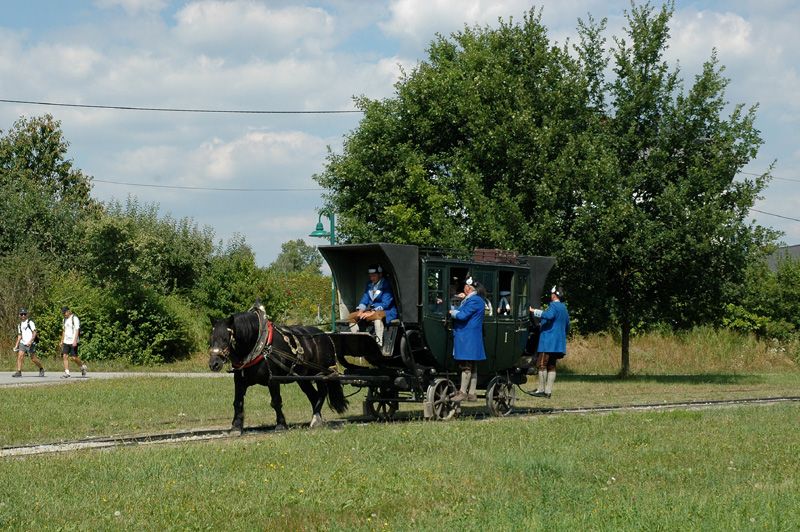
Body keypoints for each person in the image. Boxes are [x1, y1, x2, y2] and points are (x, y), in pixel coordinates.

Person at [449, 277, 486, 402]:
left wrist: (451, 312)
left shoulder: (474, 300)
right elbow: (461, 310)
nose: (464, 287)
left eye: (465, 286)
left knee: (466, 365)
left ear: (469, 288)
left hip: (467, 336)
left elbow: (462, 315)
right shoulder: (472, 300)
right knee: (473, 365)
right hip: (470, 336)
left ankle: (463, 392)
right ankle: (472, 393)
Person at [529, 285, 570, 398]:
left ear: (554, 295)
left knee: (541, 364)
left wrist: (534, 311)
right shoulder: (564, 308)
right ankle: (548, 391)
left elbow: (548, 315)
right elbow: (567, 326)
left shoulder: (553, 306)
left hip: (548, 342)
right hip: (557, 344)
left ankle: (541, 390)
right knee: (552, 366)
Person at [348, 265, 397, 346]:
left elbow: (386, 303)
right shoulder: (369, 285)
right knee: (351, 316)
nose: (371, 278)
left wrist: (372, 312)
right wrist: (360, 311)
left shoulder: (386, 285)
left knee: (377, 317)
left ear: (380, 275)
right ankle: (357, 341)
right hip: (371, 311)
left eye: (374, 276)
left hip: (387, 311)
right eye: (370, 276)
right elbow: (365, 299)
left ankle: (379, 344)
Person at [12, 308, 45, 377]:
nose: (23, 315)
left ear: (27, 315)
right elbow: (19, 335)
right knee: (20, 356)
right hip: (23, 343)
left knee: (33, 358)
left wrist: (30, 341)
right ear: (19, 315)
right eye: (22, 314)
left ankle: (41, 368)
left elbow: (34, 332)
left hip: (31, 343)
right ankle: (19, 372)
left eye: (25, 314)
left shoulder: (30, 322)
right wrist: (16, 345)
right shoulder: (19, 325)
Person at [60, 306, 87, 378]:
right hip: (66, 341)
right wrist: (62, 340)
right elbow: (64, 330)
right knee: (64, 356)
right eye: (63, 313)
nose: (64, 314)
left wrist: (75, 340)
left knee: (74, 358)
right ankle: (67, 373)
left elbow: (77, 330)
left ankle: (82, 367)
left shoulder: (74, 318)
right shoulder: (64, 320)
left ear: (69, 311)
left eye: (65, 312)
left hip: (73, 341)